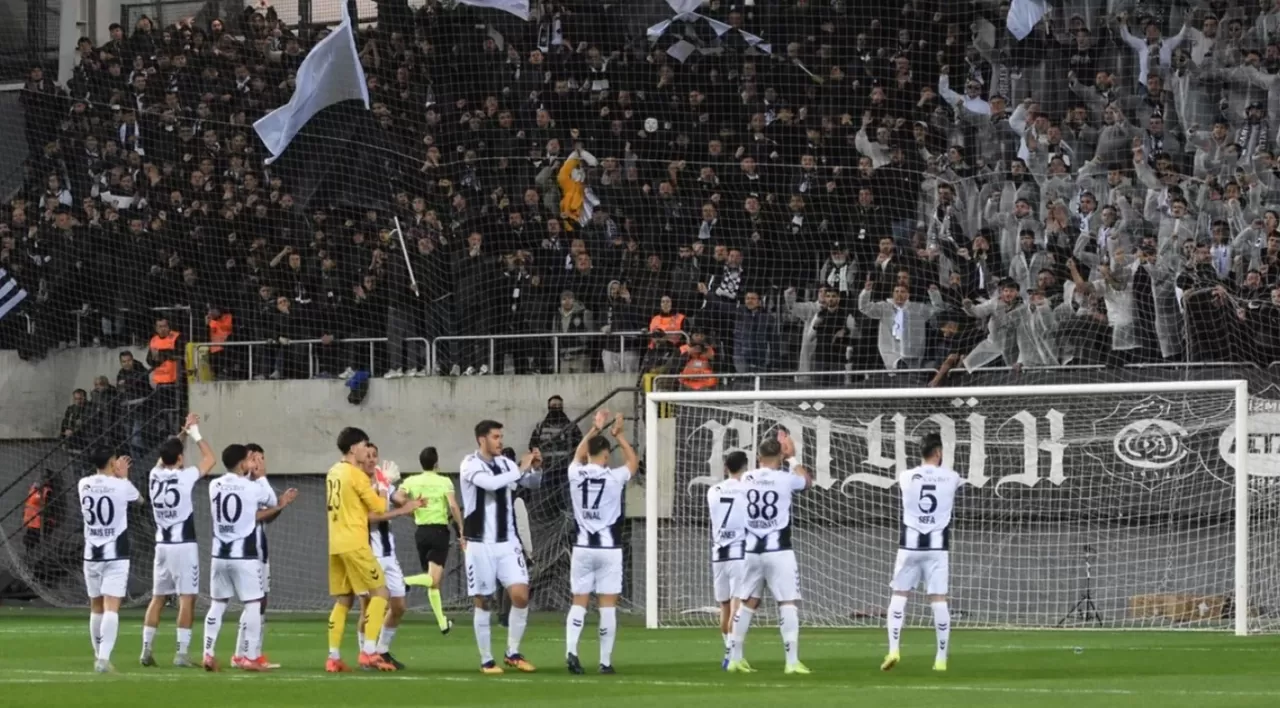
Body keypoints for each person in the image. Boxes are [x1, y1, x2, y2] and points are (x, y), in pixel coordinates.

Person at [324, 427, 417, 673]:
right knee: (381, 593)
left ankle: (333, 657)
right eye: (365, 446)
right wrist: (384, 483)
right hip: (355, 542)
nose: (367, 451)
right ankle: (368, 652)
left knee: (344, 599)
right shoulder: (356, 475)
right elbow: (378, 507)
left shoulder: (333, 472)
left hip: (336, 542)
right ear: (353, 448)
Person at [200, 444, 293, 672]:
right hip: (244, 555)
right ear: (243, 463)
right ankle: (250, 657)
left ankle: (208, 653)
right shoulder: (251, 487)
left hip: (219, 555)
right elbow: (272, 501)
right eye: (249, 459)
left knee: (217, 604)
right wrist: (261, 476)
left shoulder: (214, 485)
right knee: (253, 603)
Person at [460, 420, 542, 674]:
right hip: (479, 543)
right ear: (481, 439)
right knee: (483, 601)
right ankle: (486, 660)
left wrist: (535, 469)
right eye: (495, 437)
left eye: (501, 436)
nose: (500, 441)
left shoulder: (506, 464)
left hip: (507, 542)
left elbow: (532, 484)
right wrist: (521, 468)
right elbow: (491, 484)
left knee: (521, 595)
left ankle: (512, 653)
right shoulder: (470, 464)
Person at [727, 432, 812, 675]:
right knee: (787, 602)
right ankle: (791, 661)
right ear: (780, 456)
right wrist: (792, 457)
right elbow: (806, 482)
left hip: (752, 551)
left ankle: (735, 658)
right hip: (778, 551)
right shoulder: (785, 479)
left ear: (758, 456)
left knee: (747, 602)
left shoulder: (746, 477)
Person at [881, 432, 962, 673]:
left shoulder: (906, 476)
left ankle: (893, 649)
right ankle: (941, 658)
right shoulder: (952, 477)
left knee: (899, 594)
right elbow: (949, 483)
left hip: (910, 546)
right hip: (937, 547)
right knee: (938, 599)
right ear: (938, 452)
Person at [141, 413, 217, 669]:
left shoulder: (154, 475)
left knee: (158, 597)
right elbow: (211, 459)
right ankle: (181, 653)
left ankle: (146, 649)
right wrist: (195, 434)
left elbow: (166, 455)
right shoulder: (185, 476)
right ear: (181, 459)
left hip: (161, 545)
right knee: (187, 597)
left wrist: (181, 435)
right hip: (183, 546)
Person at [564, 410, 637, 675]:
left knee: (578, 602)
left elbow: (577, 454)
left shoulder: (575, 473)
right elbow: (633, 463)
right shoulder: (614, 477)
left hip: (582, 548)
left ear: (587, 455)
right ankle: (605, 662)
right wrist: (620, 436)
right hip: (608, 550)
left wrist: (594, 429)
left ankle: (571, 651)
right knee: (607, 606)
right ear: (606, 455)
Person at [231, 444, 298, 669]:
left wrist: (281, 506)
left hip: (260, 551)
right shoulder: (244, 485)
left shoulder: (257, 486)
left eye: (262, 458)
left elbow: (266, 516)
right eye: (256, 458)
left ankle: (251, 653)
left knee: (260, 603)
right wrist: (278, 504)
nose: (260, 463)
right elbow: (252, 516)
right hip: (247, 552)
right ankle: (243, 654)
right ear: (247, 460)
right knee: (254, 603)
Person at [357, 444, 421, 669]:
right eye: (367, 455)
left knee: (399, 606)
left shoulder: (382, 480)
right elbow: (371, 516)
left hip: (388, 554)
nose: (372, 459)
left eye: (375, 455)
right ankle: (366, 655)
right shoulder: (358, 484)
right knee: (368, 608)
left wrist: (411, 501)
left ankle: (382, 651)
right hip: (367, 554)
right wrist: (401, 508)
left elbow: (398, 499)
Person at [80, 448, 140, 673]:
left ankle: (98, 656)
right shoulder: (121, 485)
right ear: (113, 463)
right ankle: (104, 659)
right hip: (116, 553)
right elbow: (140, 500)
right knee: (112, 606)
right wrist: (124, 476)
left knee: (95, 606)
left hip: (91, 553)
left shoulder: (83, 484)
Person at [403, 446, 466, 634]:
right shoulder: (444, 481)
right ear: (437, 463)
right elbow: (453, 506)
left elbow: (397, 498)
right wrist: (461, 528)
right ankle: (402, 581)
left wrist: (410, 510)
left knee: (433, 582)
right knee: (433, 579)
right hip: (438, 531)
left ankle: (442, 623)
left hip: (421, 532)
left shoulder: (411, 481)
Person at [708, 450, 750, 670]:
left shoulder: (713, 491)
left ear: (725, 467)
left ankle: (728, 651)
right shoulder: (747, 491)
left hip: (719, 554)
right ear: (745, 467)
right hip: (739, 552)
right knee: (737, 606)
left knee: (724, 607)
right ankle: (732, 655)